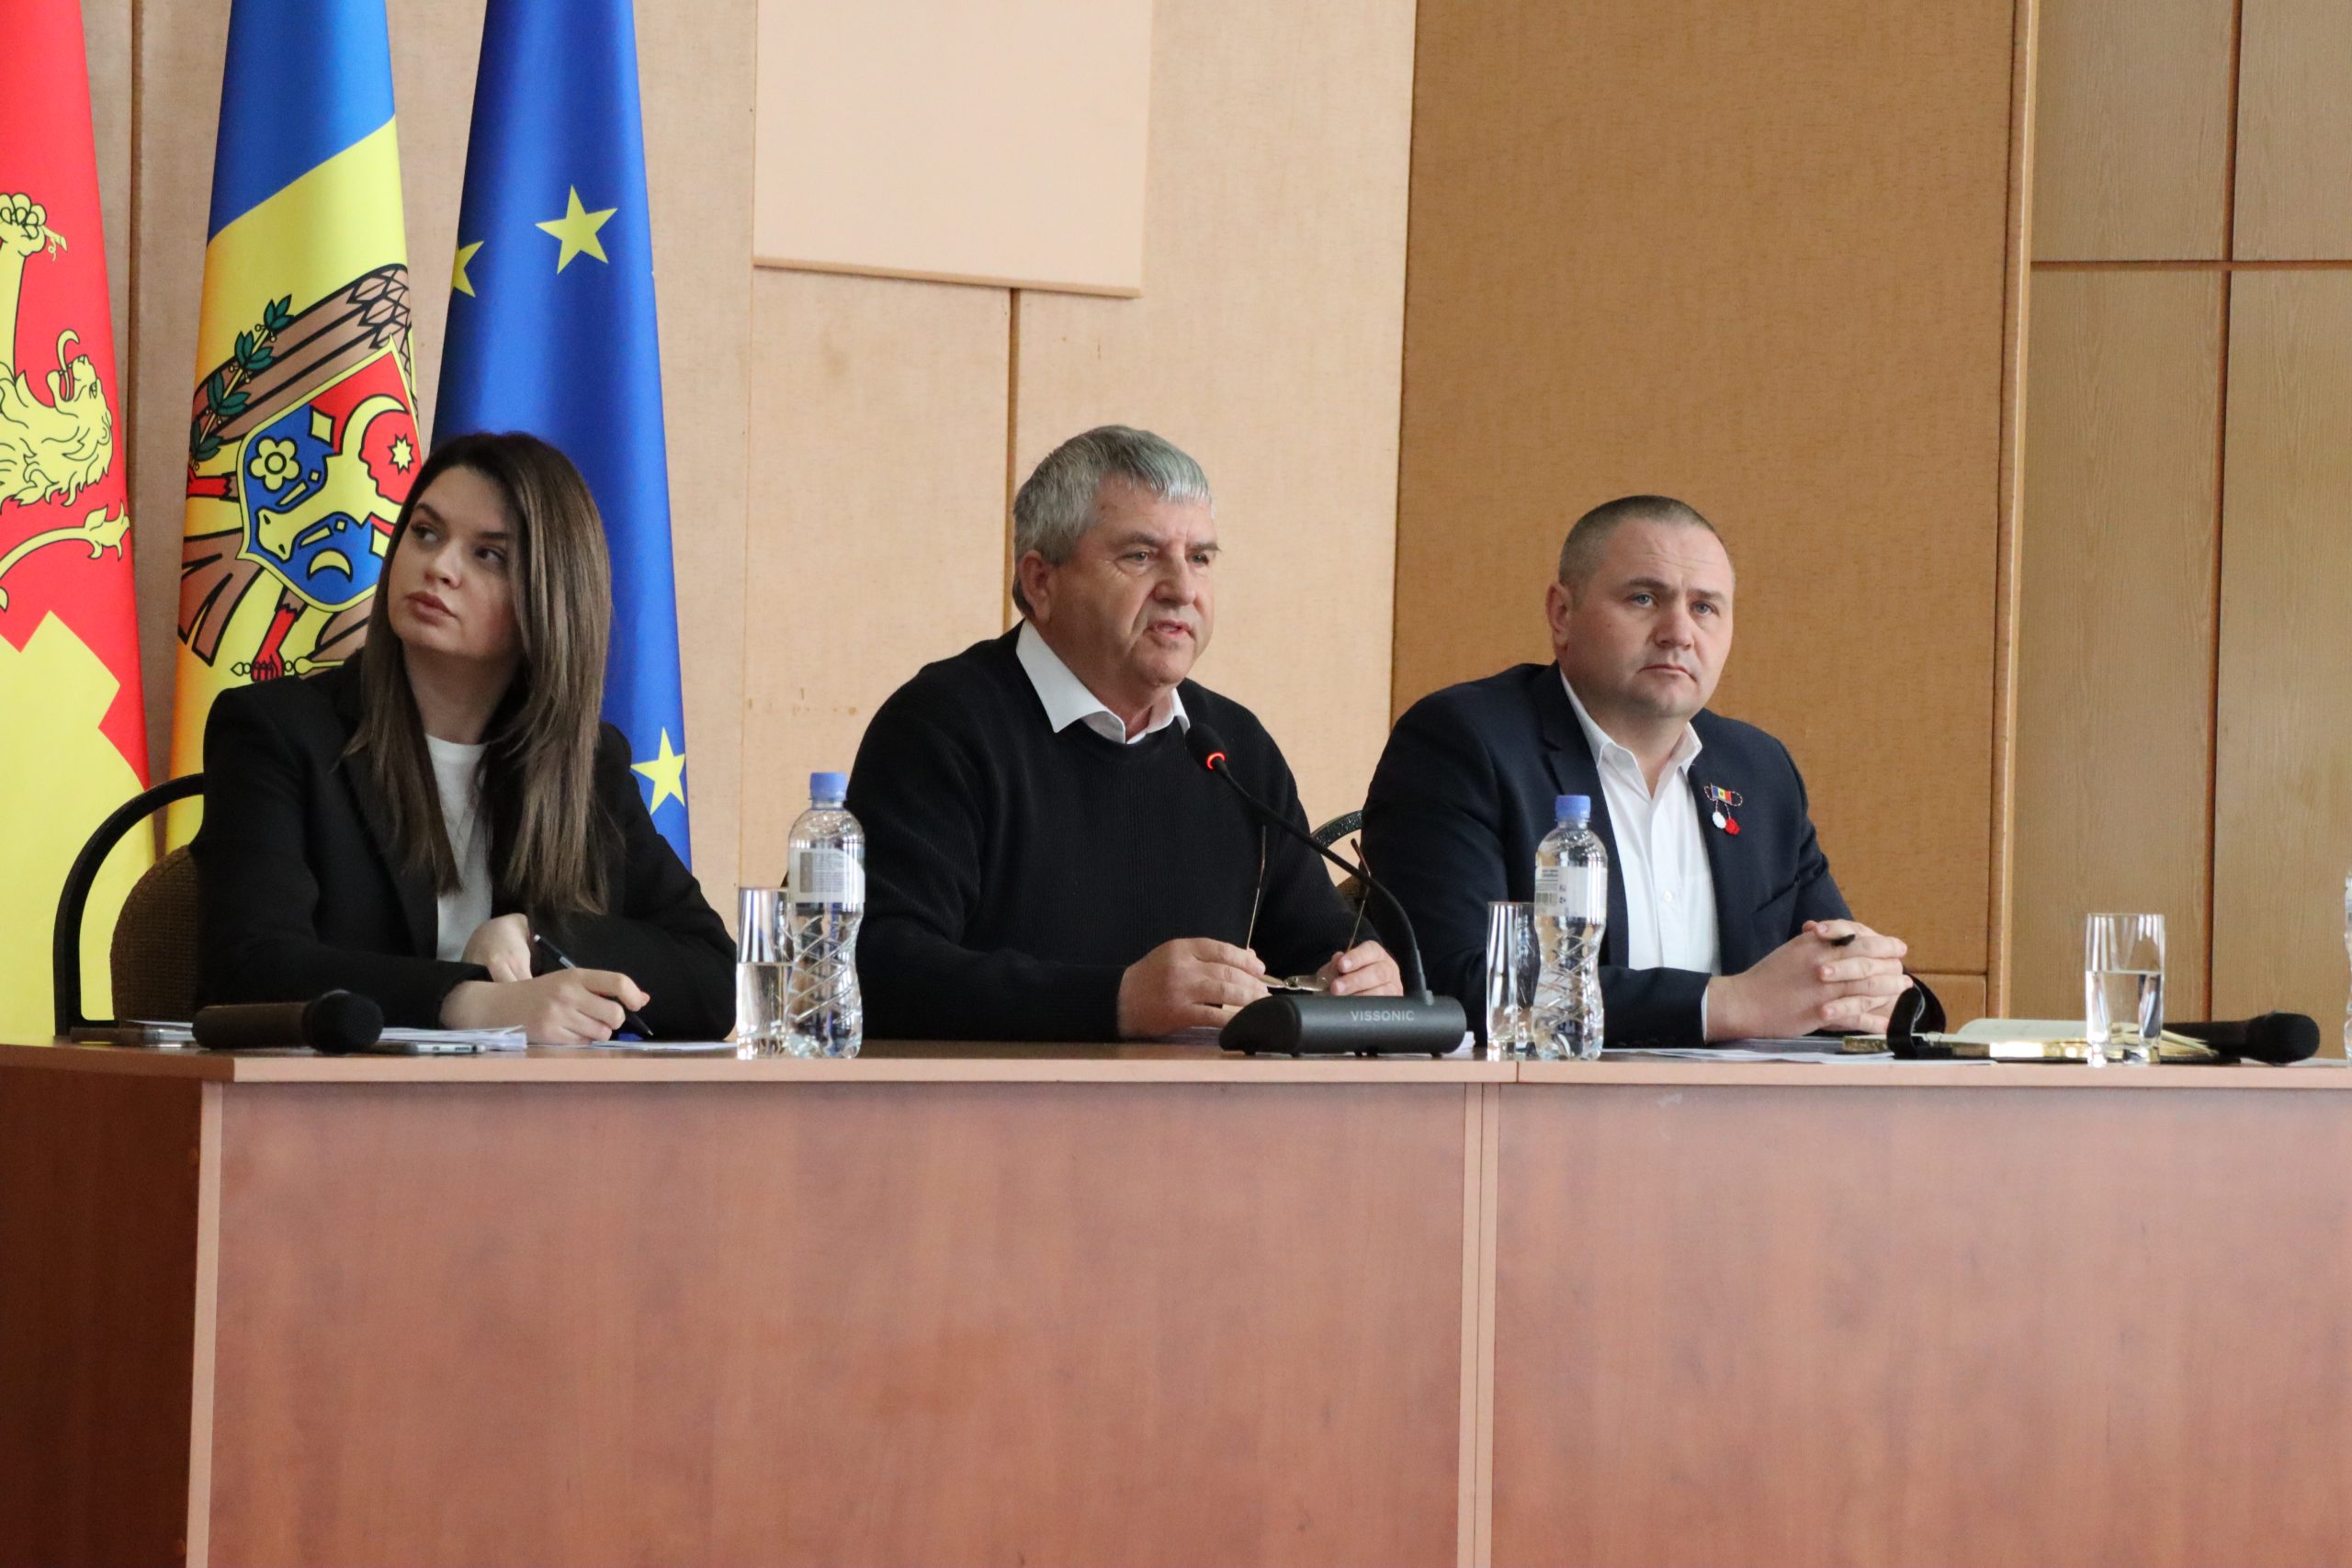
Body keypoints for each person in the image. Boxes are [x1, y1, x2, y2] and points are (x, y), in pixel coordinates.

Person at [847, 424, 1400, 1041]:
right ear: (1041, 581)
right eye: (1141, 556)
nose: (1182, 589)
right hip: (990, 1100)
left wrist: (1360, 977)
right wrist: (1113, 1000)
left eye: (1200, 558)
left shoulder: (1231, 747)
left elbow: (1318, 943)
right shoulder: (941, 726)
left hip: (1204, 1101)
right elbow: (880, 965)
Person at [194, 431, 733, 1043]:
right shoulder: (277, 730)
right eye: (426, 532)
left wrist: (535, 936)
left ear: (550, 598)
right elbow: (247, 969)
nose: (439, 567)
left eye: (488, 555)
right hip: (326, 1098)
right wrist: (467, 1000)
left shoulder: (585, 764)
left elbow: (715, 978)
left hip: (527, 1103)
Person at [1362, 494, 1932, 1047]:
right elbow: (1451, 981)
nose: (1678, 633)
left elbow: (1830, 967)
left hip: (1749, 1106)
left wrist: (1874, 992)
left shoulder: (1759, 771)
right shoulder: (1465, 742)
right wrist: (1724, 1004)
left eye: (1704, 607)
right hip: (1540, 1102)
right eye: (1643, 598)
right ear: (1562, 614)